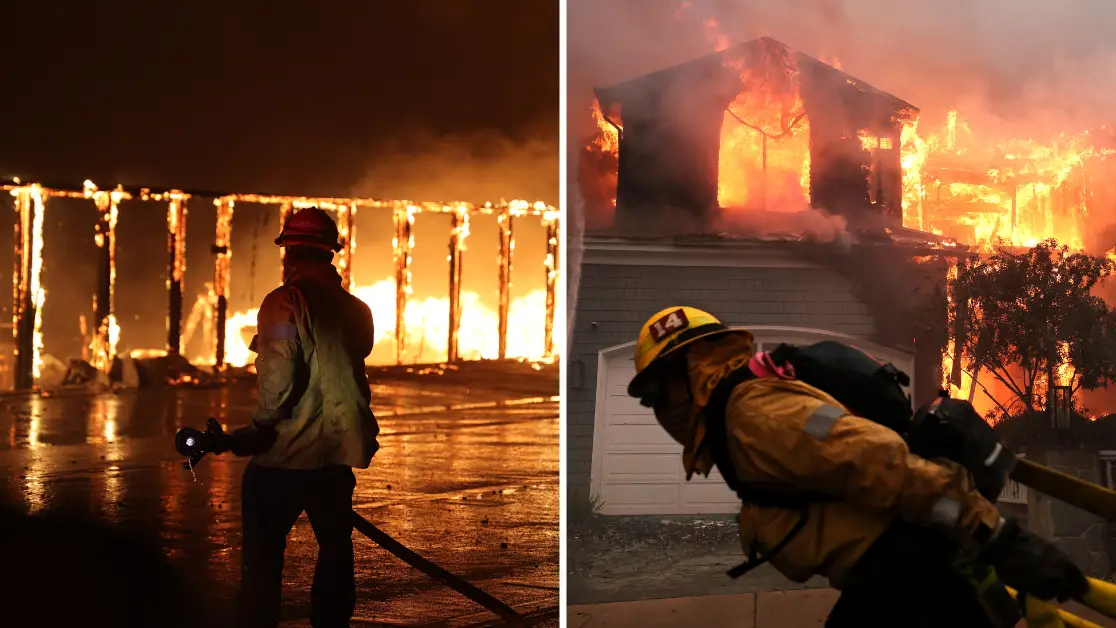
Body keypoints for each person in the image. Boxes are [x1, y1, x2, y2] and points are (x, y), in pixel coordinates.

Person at [626, 305, 1088, 628]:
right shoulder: (737, 417)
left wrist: (1000, 539)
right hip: (892, 583)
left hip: (911, 586)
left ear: (689, 376)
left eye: (657, 394)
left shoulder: (754, 415)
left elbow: (882, 461)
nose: (657, 409)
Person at [222, 207, 379, 628]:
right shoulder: (356, 309)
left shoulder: (283, 303)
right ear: (330, 254)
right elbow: (351, 356)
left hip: (285, 456)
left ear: (288, 253)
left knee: (263, 558)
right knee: (335, 552)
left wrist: (260, 428)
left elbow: (279, 376)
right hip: (336, 457)